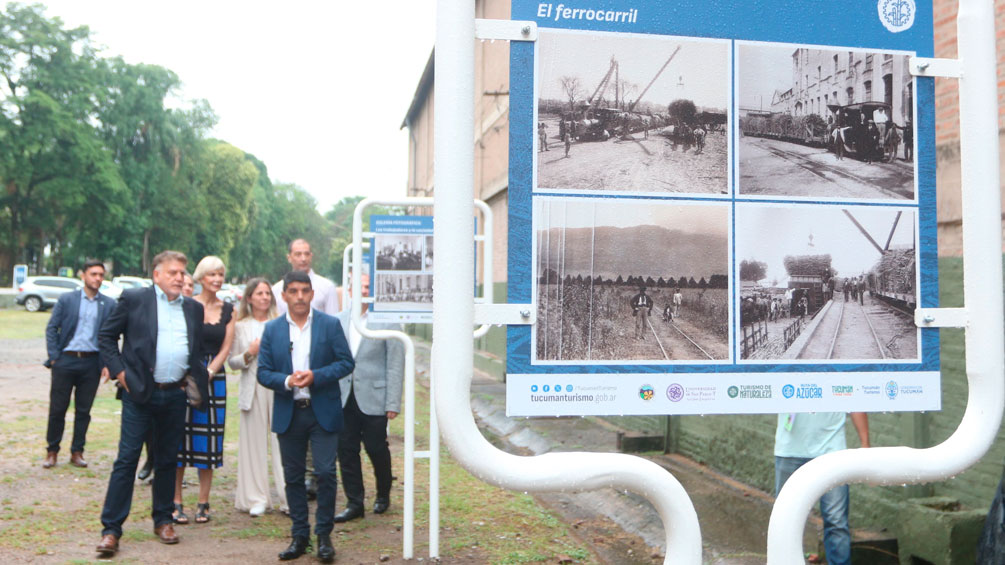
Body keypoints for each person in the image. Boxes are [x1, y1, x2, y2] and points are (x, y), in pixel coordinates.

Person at [96, 251, 209, 557]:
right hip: (140, 394)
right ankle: (111, 529)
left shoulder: (192, 309)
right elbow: (106, 337)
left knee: (167, 460)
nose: (179, 278)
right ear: (156, 275)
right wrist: (121, 373)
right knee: (127, 458)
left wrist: (191, 376)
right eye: (173, 272)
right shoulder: (135, 299)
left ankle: (163, 520)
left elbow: (196, 349)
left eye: (182, 273)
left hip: (174, 394)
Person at [258, 271, 355, 563]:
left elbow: (346, 362)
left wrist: (316, 376)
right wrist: (287, 381)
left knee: (325, 473)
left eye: (304, 291)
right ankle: (299, 535)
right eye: (293, 291)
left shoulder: (329, 325)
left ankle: (323, 535)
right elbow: (263, 371)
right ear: (284, 295)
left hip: (322, 410)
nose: (299, 296)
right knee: (293, 477)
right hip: (290, 411)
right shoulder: (273, 329)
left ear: (313, 294)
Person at [333, 274, 405, 523]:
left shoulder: (387, 322)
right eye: (360, 286)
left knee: (376, 448)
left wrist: (392, 402)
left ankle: (383, 494)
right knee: (346, 450)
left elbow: (395, 364)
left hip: (374, 396)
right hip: (343, 396)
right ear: (350, 289)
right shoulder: (338, 321)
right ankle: (354, 503)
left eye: (368, 287)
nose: (364, 291)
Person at [173, 256, 235, 525]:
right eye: (212, 274)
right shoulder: (186, 306)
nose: (217, 279)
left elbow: (226, 348)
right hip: (185, 374)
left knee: (208, 439)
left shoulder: (229, 309)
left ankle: (203, 502)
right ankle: (175, 502)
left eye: (220, 274)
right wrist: (192, 374)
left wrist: (210, 372)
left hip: (215, 377)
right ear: (200, 278)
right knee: (179, 438)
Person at [42, 259, 115, 469]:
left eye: (101, 275)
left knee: (84, 411)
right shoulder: (67, 300)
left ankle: (77, 451)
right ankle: (52, 450)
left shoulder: (108, 304)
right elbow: (52, 328)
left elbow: (110, 337)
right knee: (58, 409)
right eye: (93, 274)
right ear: (83, 275)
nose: (98, 278)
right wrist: (55, 357)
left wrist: (107, 363)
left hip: (91, 363)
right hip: (65, 361)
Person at [775, 412, 870, 565]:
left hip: (832, 451)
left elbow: (855, 402)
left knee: (836, 521)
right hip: (789, 451)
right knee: (785, 520)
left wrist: (865, 446)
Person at [229, 277, 288, 517]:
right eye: (259, 293)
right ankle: (257, 497)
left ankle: (288, 497)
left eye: (267, 293)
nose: (264, 297)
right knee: (253, 444)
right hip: (252, 388)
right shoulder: (241, 326)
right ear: (250, 297)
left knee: (282, 443)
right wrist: (249, 353)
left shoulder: (281, 324)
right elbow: (232, 361)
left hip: (277, 388)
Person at [139, 270, 196, 482]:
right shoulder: (154, 307)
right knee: (149, 429)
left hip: (181, 386)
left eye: (190, 285)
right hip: (150, 384)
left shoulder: (193, 311)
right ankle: (150, 460)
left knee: (174, 436)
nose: (186, 287)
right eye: (184, 284)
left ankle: (168, 474)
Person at [273, 239, 339, 316]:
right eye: (298, 254)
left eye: (306, 254)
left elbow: (333, 318)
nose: (303, 259)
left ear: (311, 256)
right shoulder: (277, 289)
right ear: (289, 258)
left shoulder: (327, 287)